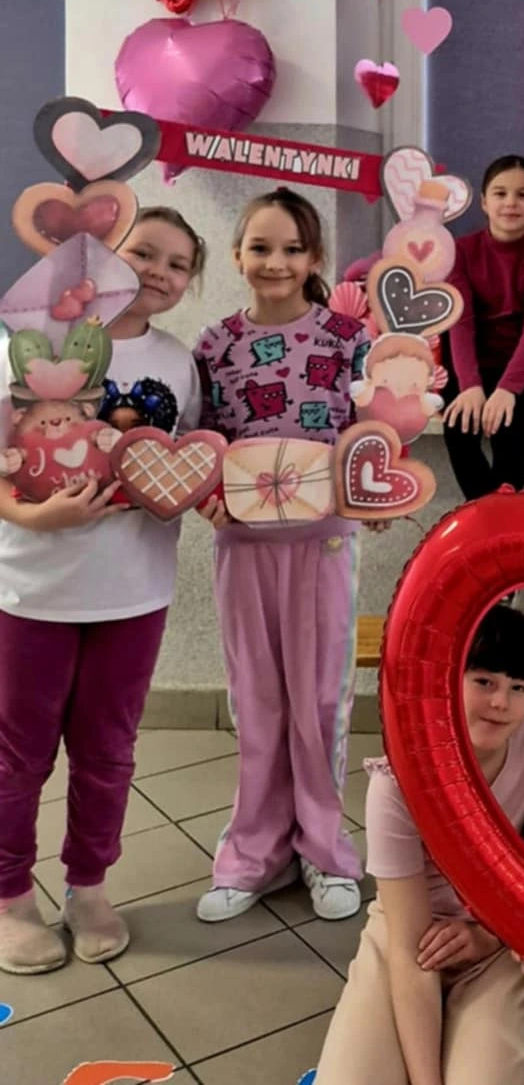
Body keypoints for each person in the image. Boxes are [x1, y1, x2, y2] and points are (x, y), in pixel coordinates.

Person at [0, 207, 204, 972]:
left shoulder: (179, 362)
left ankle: (88, 885)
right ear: (104, 256)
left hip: (134, 591)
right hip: (32, 589)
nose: (157, 271)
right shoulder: (25, 343)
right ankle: (9, 895)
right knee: (17, 755)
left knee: (108, 752)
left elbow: (190, 462)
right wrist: (35, 516)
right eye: (143, 252)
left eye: (178, 264)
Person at [192, 187, 373, 924]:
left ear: (315, 256)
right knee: (257, 703)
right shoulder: (213, 345)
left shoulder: (349, 338)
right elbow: (199, 445)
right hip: (244, 547)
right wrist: (203, 496)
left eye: (292, 249)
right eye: (260, 248)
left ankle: (325, 852)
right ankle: (253, 854)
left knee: (322, 703)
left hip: (324, 544)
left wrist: (375, 494)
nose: (275, 262)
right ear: (237, 256)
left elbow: (375, 435)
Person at [316, 605, 524, 1085]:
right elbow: (410, 950)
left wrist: (494, 934)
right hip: (408, 934)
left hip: (503, 932)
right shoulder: (398, 782)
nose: (501, 702)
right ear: (449, 679)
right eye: (484, 681)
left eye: (519, 688)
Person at [440, 155, 524, 500]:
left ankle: (504, 513)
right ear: (483, 201)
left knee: (506, 428)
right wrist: (470, 386)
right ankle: (485, 511)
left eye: (523, 195)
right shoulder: (460, 252)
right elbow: (460, 323)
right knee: (458, 425)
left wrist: (508, 390)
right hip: (474, 366)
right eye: (500, 193)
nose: (511, 203)